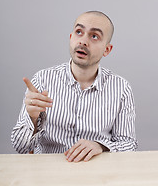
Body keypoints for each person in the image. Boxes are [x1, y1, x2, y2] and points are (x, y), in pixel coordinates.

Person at [11, 11, 138, 162]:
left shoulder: (121, 88)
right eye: (79, 32)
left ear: (107, 49)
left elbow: (129, 145)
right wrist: (32, 118)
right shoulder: (42, 80)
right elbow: (20, 147)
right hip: (49, 174)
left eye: (94, 36)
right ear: (71, 38)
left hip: (97, 174)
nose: (83, 41)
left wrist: (101, 146)